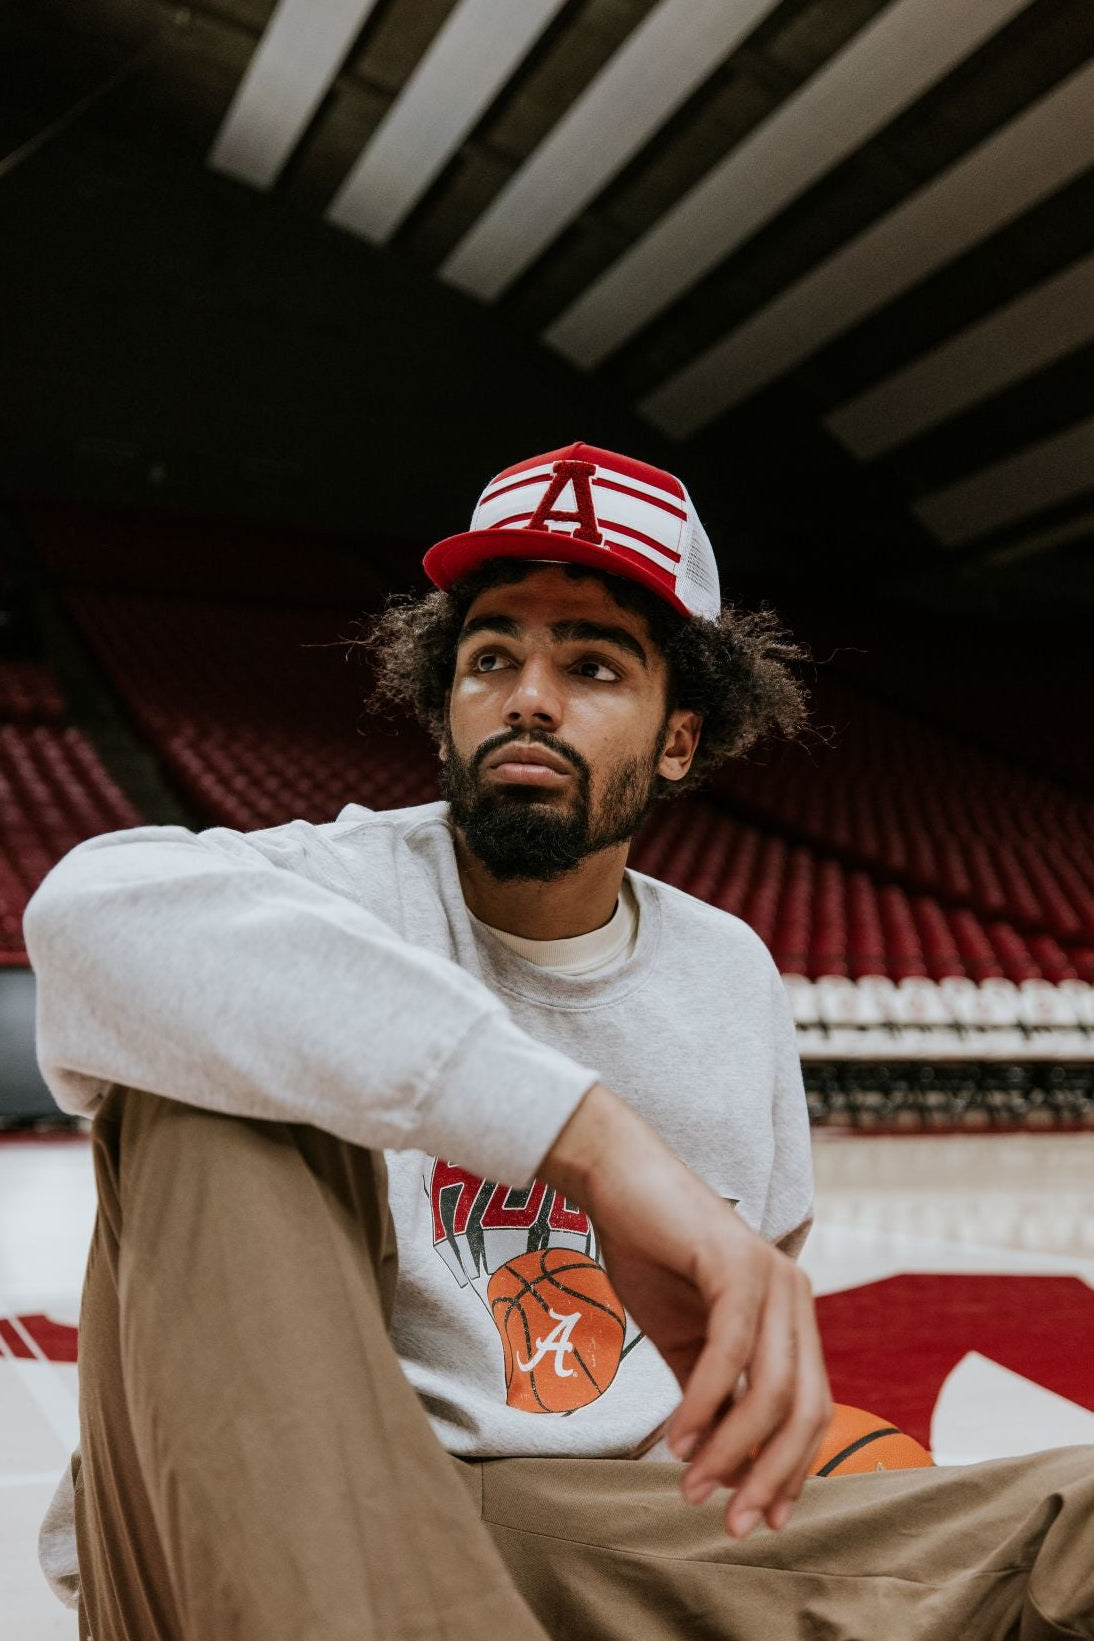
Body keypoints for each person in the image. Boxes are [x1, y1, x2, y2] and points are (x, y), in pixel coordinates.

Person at [26, 442, 1093, 1641]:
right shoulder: (330, 890)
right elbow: (79, 915)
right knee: (214, 1069)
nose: (528, 695)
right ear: (443, 710)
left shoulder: (726, 978)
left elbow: (717, 1341)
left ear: (678, 740)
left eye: (589, 663)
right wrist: (588, 1142)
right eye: (491, 658)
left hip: (586, 1534)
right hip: (272, 1529)